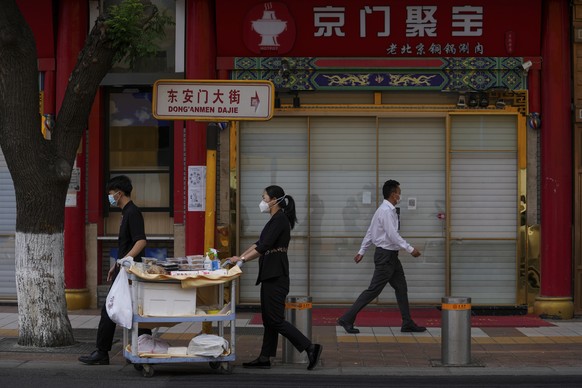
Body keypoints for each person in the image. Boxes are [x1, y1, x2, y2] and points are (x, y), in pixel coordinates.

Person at [229, 185, 323, 370]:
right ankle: (265, 357)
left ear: (274, 200)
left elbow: (262, 247)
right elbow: (259, 243)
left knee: (275, 319)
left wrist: (241, 260)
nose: (262, 202)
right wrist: (239, 257)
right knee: (269, 318)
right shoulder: (274, 220)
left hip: (276, 276)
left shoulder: (279, 220)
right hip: (271, 275)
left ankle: (310, 347)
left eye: (264, 198)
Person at [337, 179, 426, 334]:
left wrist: (362, 251)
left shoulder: (385, 210)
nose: (400, 195)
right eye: (399, 192)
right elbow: (392, 235)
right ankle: (346, 318)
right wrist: (410, 249)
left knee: (401, 288)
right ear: (393, 194)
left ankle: (407, 322)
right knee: (373, 291)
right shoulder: (385, 211)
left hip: (391, 257)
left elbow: (370, 232)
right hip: (385, 257)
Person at [79, 175, 147, 365]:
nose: (110, 198)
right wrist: (116, 264)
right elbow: (127, 245)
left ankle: (103, 352)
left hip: (129, 271)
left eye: (111, 194)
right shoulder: (126, 212)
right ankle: (143, 346)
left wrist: (124, 261)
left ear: (119, 193)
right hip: (125, 269)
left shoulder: (132, 212)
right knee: (135, 310)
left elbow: (141, 240)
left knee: (110, 308)